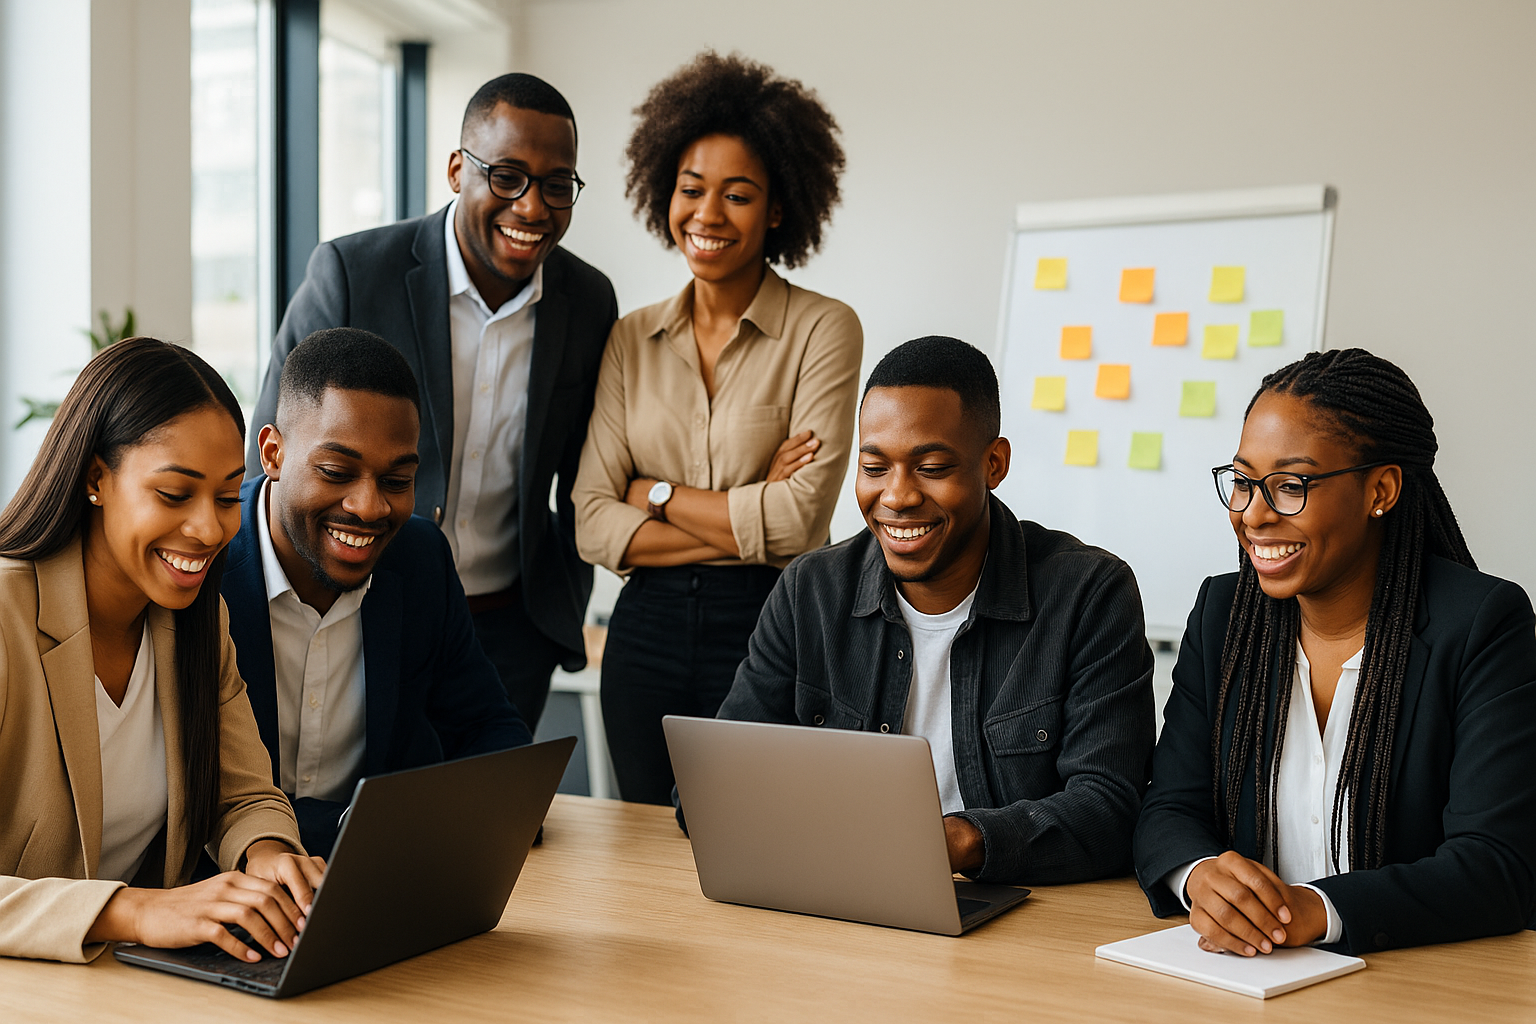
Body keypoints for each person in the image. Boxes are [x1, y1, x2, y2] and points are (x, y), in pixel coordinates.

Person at [1134, 348, 1536, 955]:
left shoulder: (1481, 625)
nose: (1254, 514)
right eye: (1242, 482)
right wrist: (1198, 875)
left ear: (1381, 490)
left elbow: (1495, 865)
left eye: (1290, 486)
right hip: (1249, 973)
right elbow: (1169, 806)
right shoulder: (1223, 615)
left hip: (1412, 980)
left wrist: (1318, 910)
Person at [247, 73, 618, 731]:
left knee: (496, 793)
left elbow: (583, 469)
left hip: (511, 630)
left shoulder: (588, 301)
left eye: (557, 184)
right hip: (370, 608)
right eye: (507, 177)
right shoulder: (353, 273)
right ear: (456, 170)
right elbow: (270, 455)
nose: (532, 207)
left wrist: (557, 610)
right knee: (371, 793)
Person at [711, 336, 1156, 883]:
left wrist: (961, 840)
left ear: (994, 464)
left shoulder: (1088, 593)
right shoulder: (812, 590)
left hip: (1018, 903)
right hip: (839, 888)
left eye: (932, 467)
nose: (897, 497)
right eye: (875, 468)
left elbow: (1110, 807)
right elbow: (714, 787)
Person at [573, 52, 864, 806]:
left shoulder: (823, 329)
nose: (707, 214)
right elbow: (593, 522)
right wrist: (750, 507)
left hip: (768, 625)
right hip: (643, 635)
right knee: (644, 842)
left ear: (777, 209)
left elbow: (800, 522)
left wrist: (656, 494)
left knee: (758, 837)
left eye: (737, 195)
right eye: (691, 188)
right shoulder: (630, 338)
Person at [0, 338, 323, 964]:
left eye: (228, 497)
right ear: (96, 479)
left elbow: (242, 795)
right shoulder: (8, 614)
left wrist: (271, 859)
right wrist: (135, 911)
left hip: (126, 984)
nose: (209, 529)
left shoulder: (198, 619)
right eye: (175, 494)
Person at [225, 329, 533, 858]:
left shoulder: (420, 559)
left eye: (395, 482)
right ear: (273, 453)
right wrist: (360, 825)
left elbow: (487, 728)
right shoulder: (206, 562)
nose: (369, 507)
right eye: (336, 472)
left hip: (383, 873)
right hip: (225, 880)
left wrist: (500, 801)